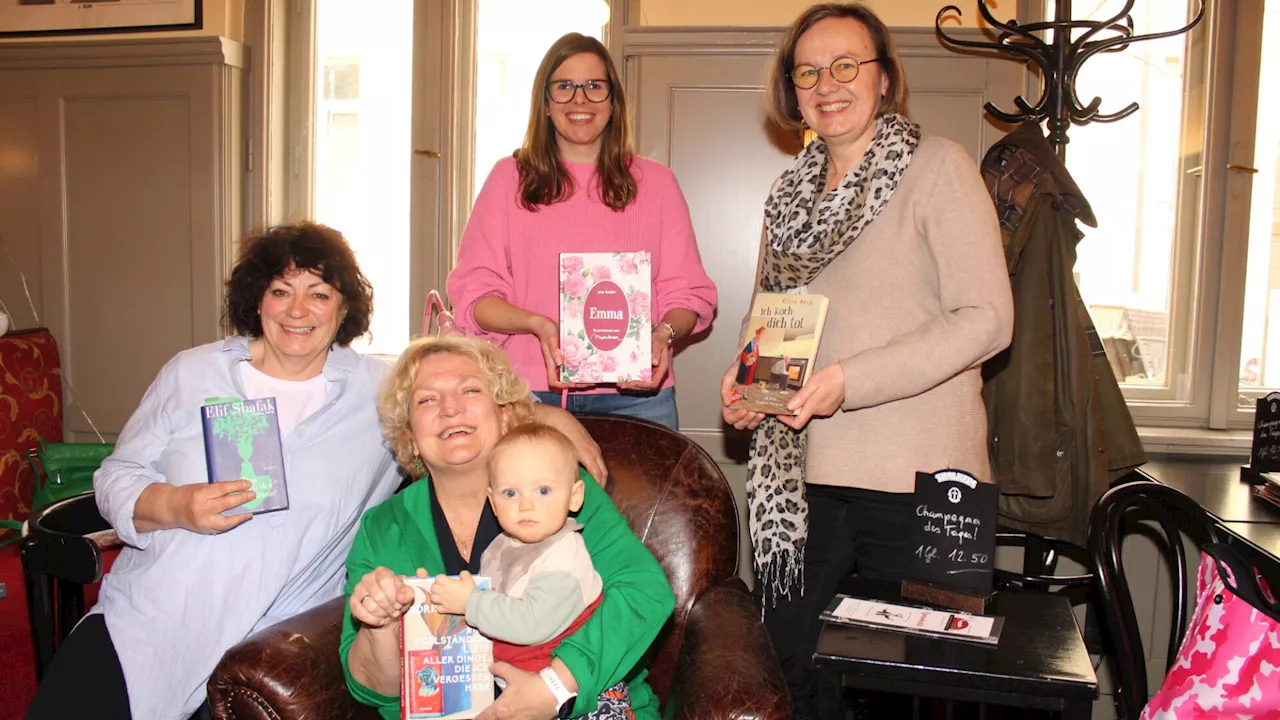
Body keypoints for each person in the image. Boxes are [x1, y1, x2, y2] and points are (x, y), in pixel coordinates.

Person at [24, 223, 608, 720]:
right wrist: (177, 506)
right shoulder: (192, 374)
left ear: (344, 307)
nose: (298, 311)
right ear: (257, 300)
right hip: (154, 619)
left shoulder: (374, 391)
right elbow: (115, 474)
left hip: (269, 638)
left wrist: (553, 419)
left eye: (319, 294)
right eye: (281, 291)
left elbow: (460, 398)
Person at [719, 4, 1014, 718]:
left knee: (913, 697)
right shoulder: (786, 193)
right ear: (792, 89)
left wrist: (849, 381)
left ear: (884, 78)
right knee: (793, 679)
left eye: (847, 65)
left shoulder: (939, 167)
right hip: (802, 491)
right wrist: (743, 383)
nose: (829, 83)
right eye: (809, 70)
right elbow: (774, 322)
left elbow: (988, 321)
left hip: (921, 492)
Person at [342, 335, 674, 720]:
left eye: (469, 390)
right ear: (411, 437)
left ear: (504, 416)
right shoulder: (382, 527)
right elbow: (375, 689)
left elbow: (646, 592)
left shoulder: (556, 489)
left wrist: (555, 687)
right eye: (427, 399)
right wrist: (380, 625)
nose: (450, 408)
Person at [447, 32, 717, 431]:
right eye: (565, 87)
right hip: (529, 395)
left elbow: (689, 294)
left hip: (638, 397)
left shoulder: (656, 183)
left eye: (594, 86)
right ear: (545, 102)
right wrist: (538, 325)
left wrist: (662, 333)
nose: (580, 100)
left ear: (613, 101)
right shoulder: (508, 179)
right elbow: (474, 295)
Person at [429, 423, 632, 717]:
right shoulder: (498, 549)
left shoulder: (565, 555)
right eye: (510, 493)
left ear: (575, 497)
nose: (526, 505)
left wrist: (471, 602)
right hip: (522, 690)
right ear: (493, 503)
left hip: (585, 699)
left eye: (543, 490)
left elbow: (531, 623)